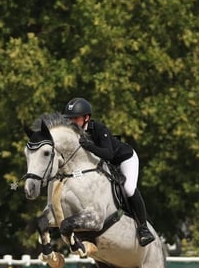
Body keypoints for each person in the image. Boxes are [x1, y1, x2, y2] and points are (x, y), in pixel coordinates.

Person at [63, 97, 156, 246]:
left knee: (128, 189)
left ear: (86, 118)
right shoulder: (73, 133)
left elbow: (109, 154)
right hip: (104, 164)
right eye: (70, 119)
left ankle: (143, 228)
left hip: (124, 159)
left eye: (76, 118)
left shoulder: (99, 129)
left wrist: (89, 146)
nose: (72, 122)